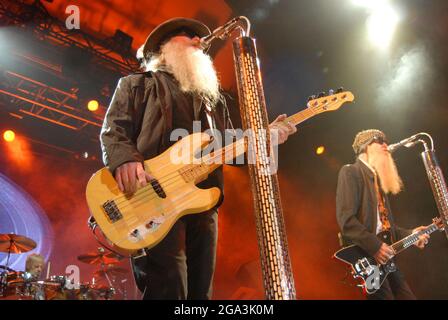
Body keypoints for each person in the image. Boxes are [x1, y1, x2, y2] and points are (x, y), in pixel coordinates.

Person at [100, 17, 296, 300]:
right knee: (169, 284)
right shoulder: (137, 85)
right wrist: (125, 160)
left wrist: (268, 139)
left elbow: (232, 149)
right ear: (163, 48)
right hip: (152, 198)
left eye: (198, 37)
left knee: (199, 292)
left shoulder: (211, 101)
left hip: (202, 204)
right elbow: (114, 130)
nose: (197, 41)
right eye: (186, 35)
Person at [336, 129, 430, 300]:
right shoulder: (351, 172)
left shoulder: (376, 181)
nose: (386, 145)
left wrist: (412, 234)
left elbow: (385, 228)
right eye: (379, 141)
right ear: (366, 146)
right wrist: (376, 247)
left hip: (385, 259)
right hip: (367, 257)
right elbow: (347, 221)